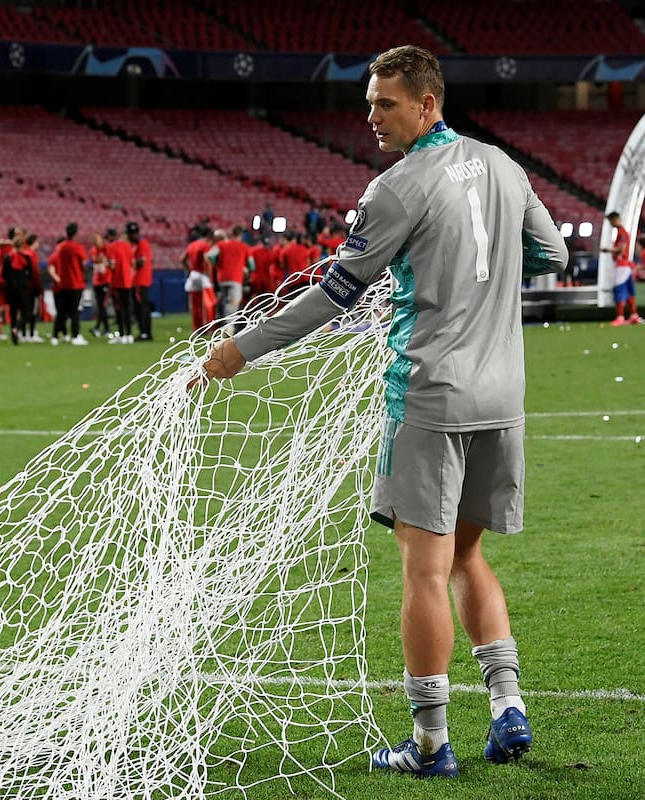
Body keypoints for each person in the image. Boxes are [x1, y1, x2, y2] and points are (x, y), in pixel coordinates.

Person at [197, 45, 567, 780]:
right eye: (369, 102)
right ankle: (507, 708)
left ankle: (430, 744)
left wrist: (241, 348)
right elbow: (551, 254)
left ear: (427, 104)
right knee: (466, 555)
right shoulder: (504, 165)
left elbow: (335, 293)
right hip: (503, 396)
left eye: (385, 103)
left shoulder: (396, 188)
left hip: (429, 396)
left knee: (423, 570)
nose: (371, 116)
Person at [50, 222, 88, 346]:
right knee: (74, 311)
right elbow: (83, 264)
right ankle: (75, 335)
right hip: (75, 283)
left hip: (63, 284)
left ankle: (55, 336)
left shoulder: (61, 247)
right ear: (76, 233)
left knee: (61, 312)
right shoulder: (77, 247)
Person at [602, 211, 640, 325]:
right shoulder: (622, 232)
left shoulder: (622, 233)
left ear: (615, 220)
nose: (611, 224)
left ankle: (620, 317)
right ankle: (634, 315)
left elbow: (621, 249)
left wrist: (607, 250)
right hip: (627, 265)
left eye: (611, 221)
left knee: (619, 290)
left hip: (622, 265)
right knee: (629, 291)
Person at [3, 231, 34, 345]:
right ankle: (17, 328)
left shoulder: (8, 258)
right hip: (23, 288)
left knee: (13, 312)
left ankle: (14, 335)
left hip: (11, 288)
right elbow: (30, 274)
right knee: (27, 312)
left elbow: (4, 274)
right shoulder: (26, 258)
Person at [181, 225, 214, 332]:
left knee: (196, 304)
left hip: (193, 274)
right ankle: (210, 326)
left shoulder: (191, 245)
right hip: (203, 275)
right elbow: (206, 259)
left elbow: (182, 259)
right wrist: (209, 273)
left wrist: (190, 269)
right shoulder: (205, 245)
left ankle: (197, 328)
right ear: (209, 236)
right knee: (210, 302)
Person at [106, 226, 135, 343]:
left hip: (117, 282)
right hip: (127, 282)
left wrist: (106, 263)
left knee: (119, 309)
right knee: (128, 308)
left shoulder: (111, 247)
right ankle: (129, 335)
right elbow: (132, 264)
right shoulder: (128, 247)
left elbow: (112, 265)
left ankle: (122, 334)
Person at [127, 221, 153, 341]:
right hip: (141, 280)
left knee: (141, 308)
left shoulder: (141, 244)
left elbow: (141, 262)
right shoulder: (142, 243)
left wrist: (129, 263)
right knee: (141, 307)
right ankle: (145, 331)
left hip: (139, 280)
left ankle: (145, 332)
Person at [89, 231, 111, 338]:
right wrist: (103, 260)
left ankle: (101, 327)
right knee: (100, 305)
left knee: (102, 305)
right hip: (97, 281)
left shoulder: (106, 248)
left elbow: (107, 259)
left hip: (105, 280)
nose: (96, 242)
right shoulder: (93, 250)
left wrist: (103, 260)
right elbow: (96, 260)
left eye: (97, 240)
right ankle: (103, 328)